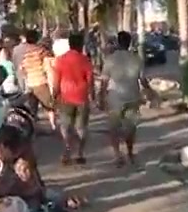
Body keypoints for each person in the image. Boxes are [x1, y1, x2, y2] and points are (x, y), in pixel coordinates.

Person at [99, 30, 153, 167]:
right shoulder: (136, 59)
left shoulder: (110, 59)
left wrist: (100, 97)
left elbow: (104, 81)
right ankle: (129, 152)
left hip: (115, 98)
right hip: (132, 96)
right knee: (131, 127)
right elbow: (143, 80)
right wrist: (150, 91)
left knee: (114, 128)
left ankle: (117, 155)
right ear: (130, 43)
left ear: (117, 43)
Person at [52, 32, 94, 165]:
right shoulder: (85, 60)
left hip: (65, 97)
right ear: (81, 45)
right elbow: (90, 80)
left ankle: (67, 152)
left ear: (70, 45)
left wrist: (54, 95)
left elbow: (56, 81)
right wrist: (92, 96)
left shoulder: (60, 60)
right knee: (81, 127)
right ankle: (80, 153)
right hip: (81, 97)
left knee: (66, 126)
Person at [18, 30, 55, 132]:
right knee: (50, 107)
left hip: (30, 84)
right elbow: (48, 67)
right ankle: (53, 126)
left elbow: (22, 69)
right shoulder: (41, 51)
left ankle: (34, 129)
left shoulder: (26, 54)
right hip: (41, 82)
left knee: (33, 109)